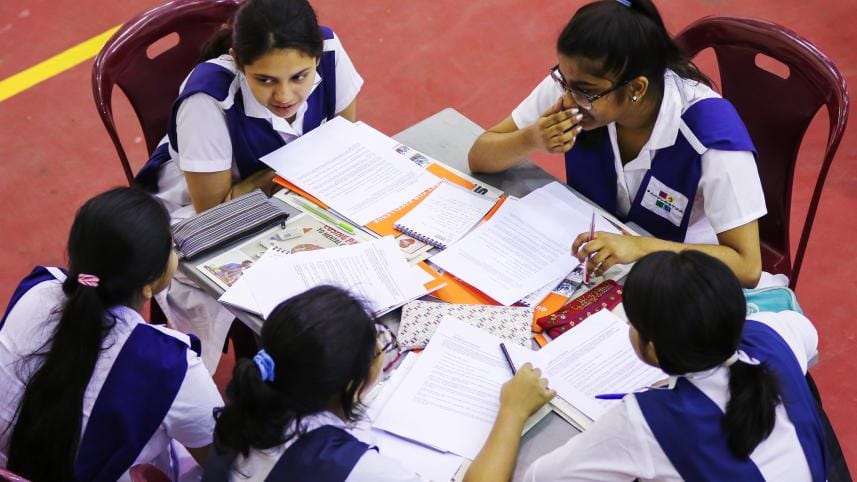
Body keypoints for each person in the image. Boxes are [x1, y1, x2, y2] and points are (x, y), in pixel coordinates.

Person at [468, 0, 767, 288]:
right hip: (599, 260)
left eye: (585, 92)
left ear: (636, 88)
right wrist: (530, 138)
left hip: (680, 275)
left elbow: (748, 266)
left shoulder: (710, 138)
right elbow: (480, 156)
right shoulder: (578, 85)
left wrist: (639, 248)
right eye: (564, 82)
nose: (569, 100)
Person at [136, 0, 364, 371]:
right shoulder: (205, 101)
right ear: (238, 62)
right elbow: (216, 212)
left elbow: (343, 142)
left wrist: (303, 165)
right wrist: (299, 164)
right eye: (266, 80)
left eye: (300, 77)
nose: (285, 96)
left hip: (277, 193)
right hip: (195, 214)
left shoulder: (332, 50)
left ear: (317, 58)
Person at [524, 250, 828, 481]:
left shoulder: (648, 420)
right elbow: (807, 334)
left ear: (654, 350)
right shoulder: (772, 335)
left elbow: (538, 476)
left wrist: (514, 410)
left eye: (632, 322)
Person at [202, 285, 554, 481]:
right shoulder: (347, 467)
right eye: (378, 347)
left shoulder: (250, 408)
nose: (385, 348)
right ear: (351, 386)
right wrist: (513, 411)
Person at [0, 187, 223, 482]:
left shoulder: (38, 289)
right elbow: (224, 462)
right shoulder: (171, 368)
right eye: (170, 246)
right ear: (147, 286)